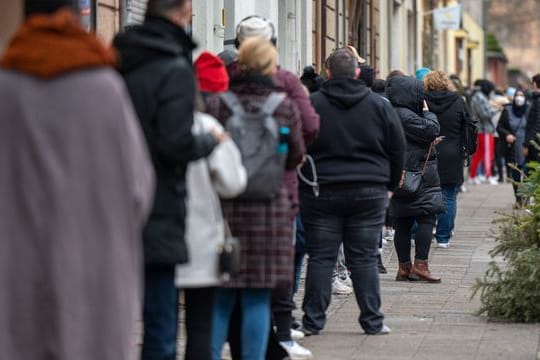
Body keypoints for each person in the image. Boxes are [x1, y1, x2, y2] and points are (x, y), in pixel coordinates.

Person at [0, 1, 155, 359]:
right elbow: (139, 188)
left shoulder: (6, 90)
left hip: (16, 277)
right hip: (93, 276)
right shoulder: (105, 89)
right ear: (77, 15)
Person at [113, 1, 224, 359]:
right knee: (160, 325)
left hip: (113, 204)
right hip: (159, 205)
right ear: (184, 13)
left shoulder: (117, 61)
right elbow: (176, 142)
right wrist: (209, 142)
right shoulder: (174, 69)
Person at [205, 37, 305, 360]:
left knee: (222, 297)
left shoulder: (219, 103)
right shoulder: (283, 106)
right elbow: (294, 157)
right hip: (268, 210)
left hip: (226, 209)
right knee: (257, 299)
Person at [227, 15, 318, 360]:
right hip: (274, 193)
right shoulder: (286, 86)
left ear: (237, 46)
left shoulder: (221, 81)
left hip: (227, 194)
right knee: (267, 281)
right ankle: (280, 334)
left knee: (224, 287)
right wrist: (286, 157)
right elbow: (308, 129)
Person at [299, 48, 406, 336]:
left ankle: (312, 321)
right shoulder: (378, 105)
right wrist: (389, 185)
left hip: (322, 189)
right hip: (368, 190)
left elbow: (300, 144)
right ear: (357, 73)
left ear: (328, 73)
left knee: (321, 256)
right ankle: (372, 321)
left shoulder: (314, 104)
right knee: (364, 257)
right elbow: (398, 148)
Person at [173, 52, 247, 360]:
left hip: (157, 241)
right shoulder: (208, 127)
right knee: (200, 326)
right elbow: (233, 183)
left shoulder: (148, 126)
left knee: (159, 325)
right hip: (202, 242)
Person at [386, 75, 445, 283]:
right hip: (418, 174)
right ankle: (421, 265)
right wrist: (429, 114)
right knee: (426, 216)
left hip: (399, 173)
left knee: (402, 220)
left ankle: (404, 267)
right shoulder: (407, 115)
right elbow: (431, 130)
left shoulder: (392, 112)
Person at [424, 70, 471, 249]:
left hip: (427, 152)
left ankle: (418, 233)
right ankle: (443, 238)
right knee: (448, 195)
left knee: (422, 194)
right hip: (452, 153)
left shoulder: (422, 101)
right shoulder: (458, 101)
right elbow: (467, 125)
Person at [497, 89, 529, 206]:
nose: (519, 98)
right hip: (512, 147)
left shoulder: (529, 110)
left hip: (526, 146)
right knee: (515, 174)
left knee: (526, 172)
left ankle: (526, 196)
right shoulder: (508, 110)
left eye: (522, 95)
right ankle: (518, 198)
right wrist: (507, 135)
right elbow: (499, 126)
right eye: (517, 95)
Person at [469, 80, 500, 185]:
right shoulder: (480, 97)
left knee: (480, 154)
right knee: (487, 154)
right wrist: (497, 109)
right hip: (484, 129)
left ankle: (473, 176)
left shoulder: (479, 97)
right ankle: (488, 175)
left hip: (483, 129)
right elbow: (485, 114)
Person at [524, 74, 540, 163]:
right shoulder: (534, 99)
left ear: (534, 84)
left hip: (535, 143)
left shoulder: (537, 100)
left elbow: (537, 124)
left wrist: (526, 143)